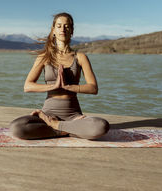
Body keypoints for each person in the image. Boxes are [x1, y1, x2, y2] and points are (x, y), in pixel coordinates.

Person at [10, 12, 110, 140]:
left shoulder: (80, 57)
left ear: (72, 31)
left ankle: (57, 126)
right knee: (16, 128)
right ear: (53, 30)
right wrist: (54, 86)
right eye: (59, 26)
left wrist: (69, 87)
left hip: (73, 116)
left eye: (67, 26)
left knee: (101, 126)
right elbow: (27, 86)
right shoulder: (44, 57)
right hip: (48, 114)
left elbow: (93, 88)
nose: (63, 29)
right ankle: (67, 130)